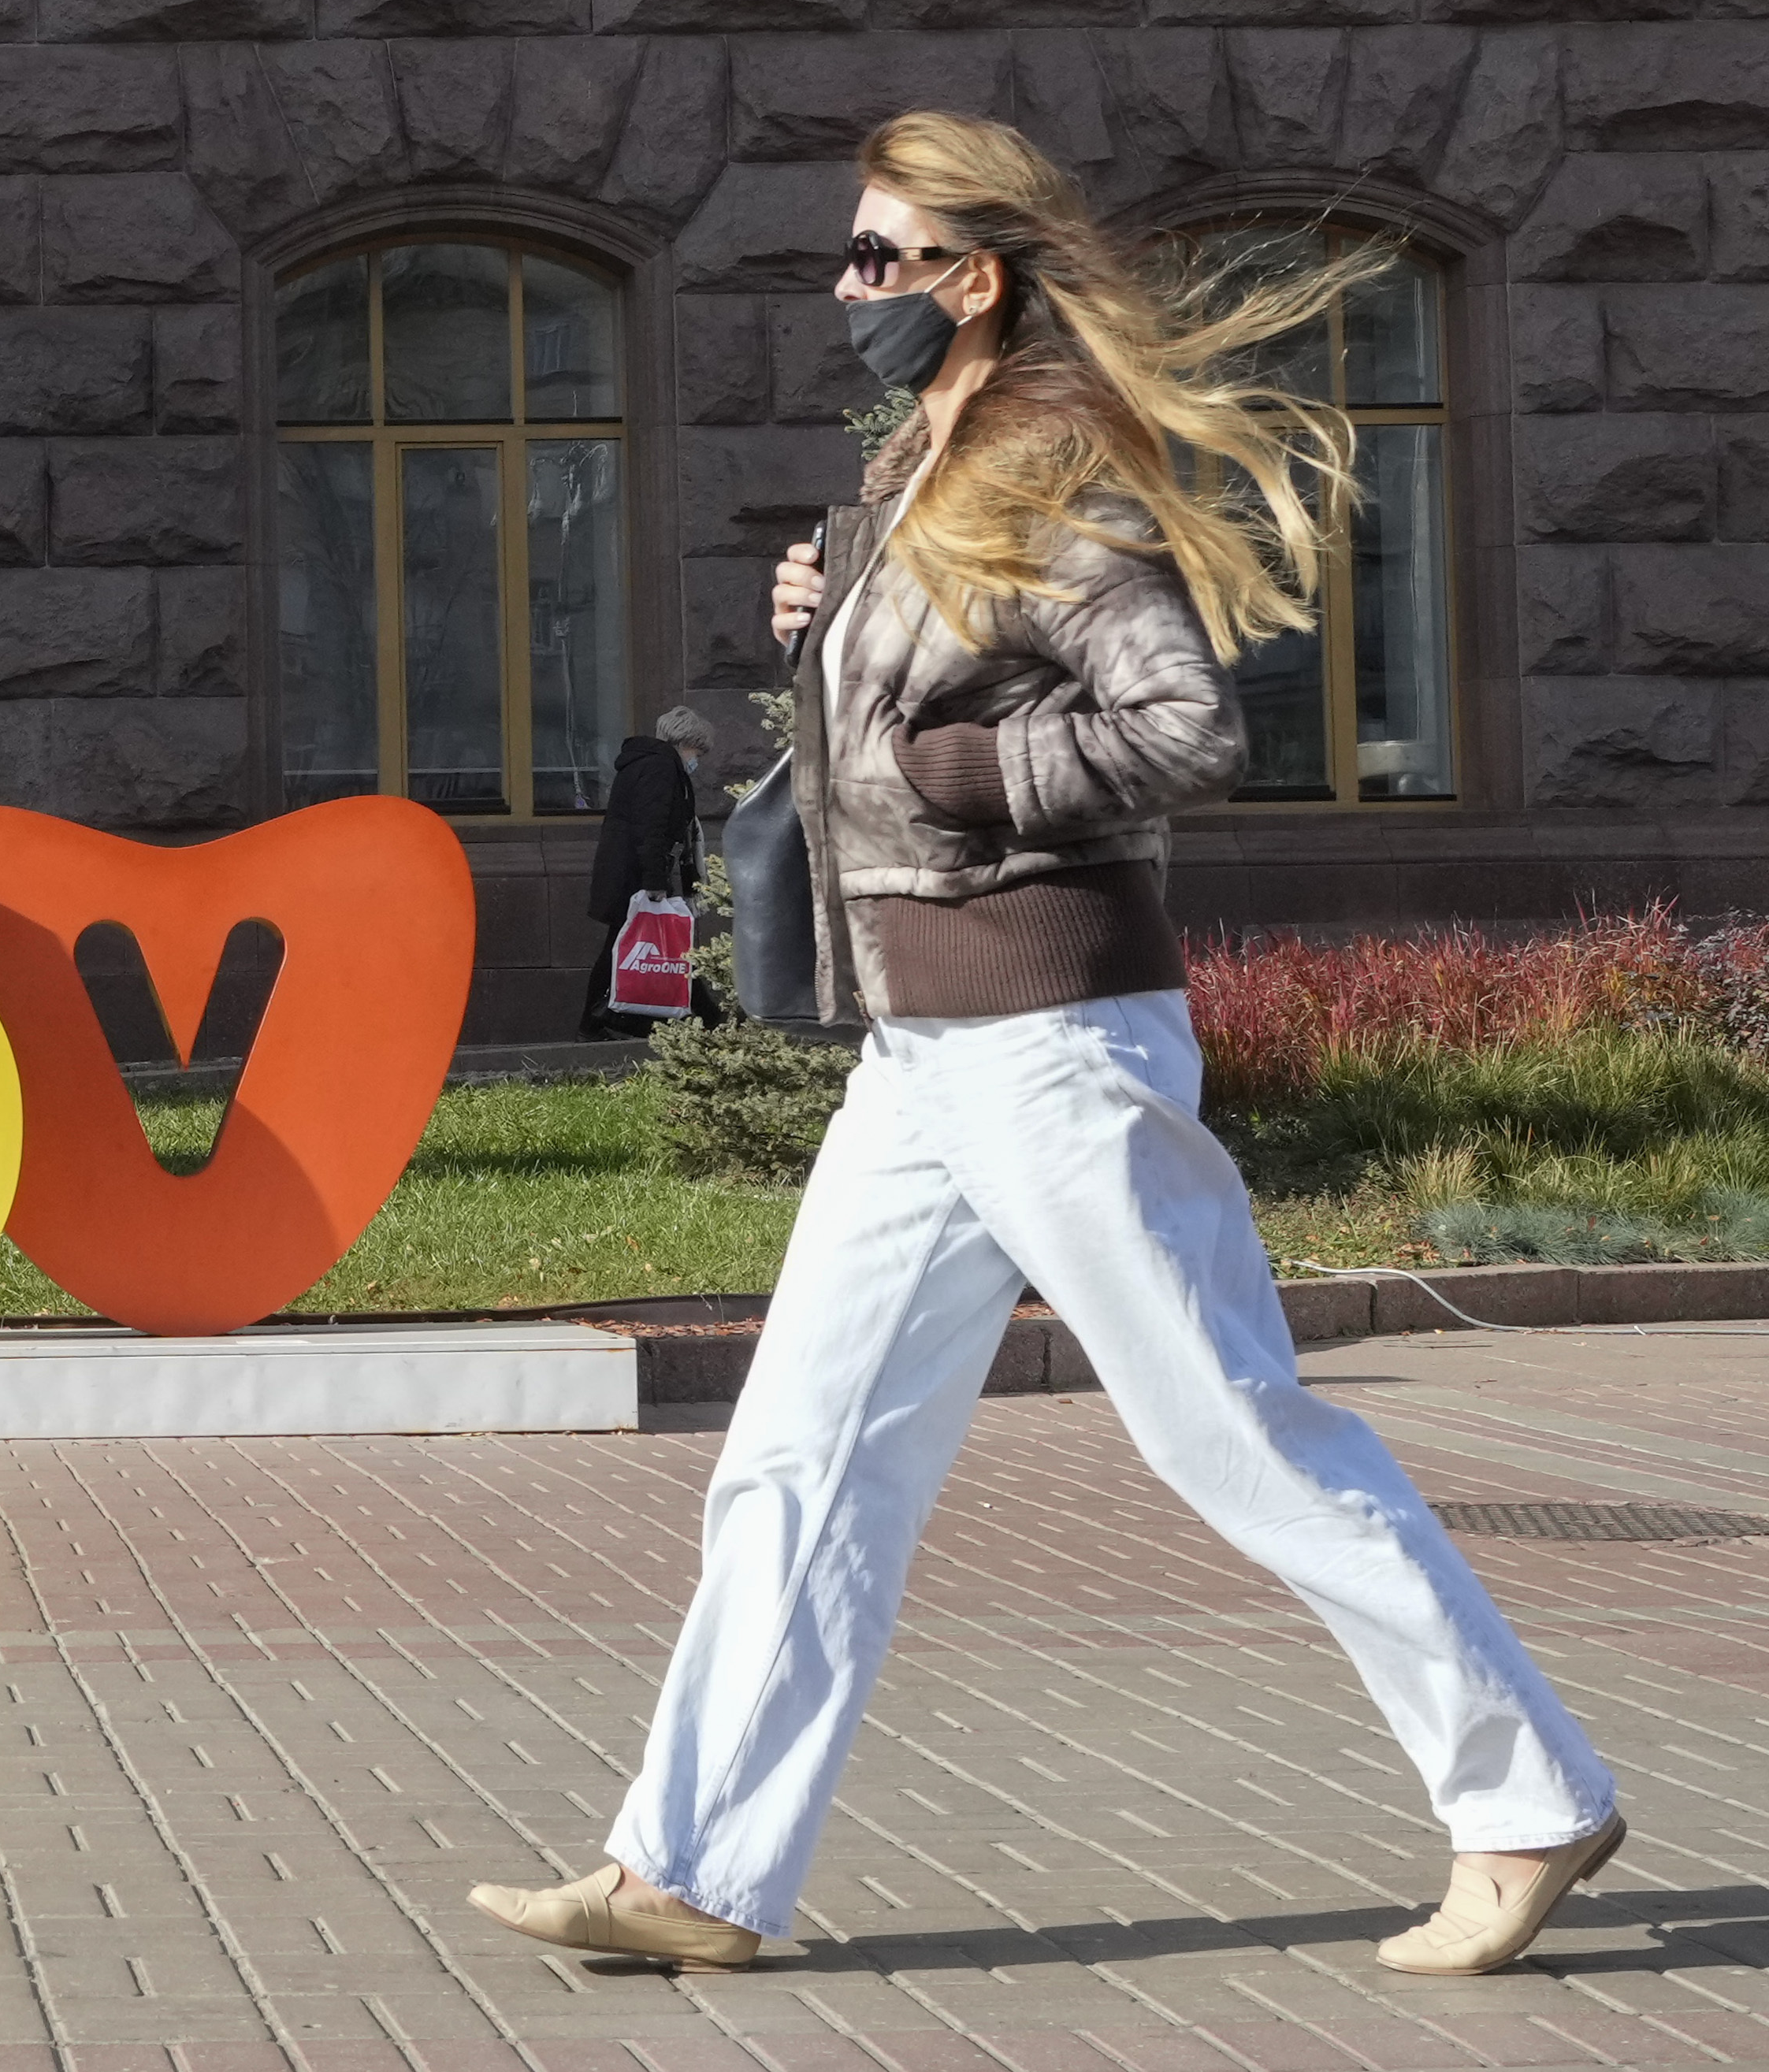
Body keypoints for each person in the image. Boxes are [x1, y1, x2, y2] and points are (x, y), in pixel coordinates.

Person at [467, 110, 1619, 1981]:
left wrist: (965, 764)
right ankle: (689, 1872)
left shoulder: (1051, 456)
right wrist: (825, 613)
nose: (845, 290)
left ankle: (1525, 1799)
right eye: (845, 256)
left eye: (873, 256)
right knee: (799, 1459)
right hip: (920, 1052)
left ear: (966, 274)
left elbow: (1180, 727)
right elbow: (934, 669)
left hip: (1052, 1030)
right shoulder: (929, 463)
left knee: (1232, 1426)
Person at [579, 707, 715, 1039]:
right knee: (658, 946)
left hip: (630, 873)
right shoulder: (660, 767)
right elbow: (651, 828)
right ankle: (714, 1020)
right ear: (686, 742)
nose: (696, 760)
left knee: (628, 947)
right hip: (637, 876)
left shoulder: (645, 764)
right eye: (697, 752)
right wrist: (655, 883)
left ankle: (600, 1021)